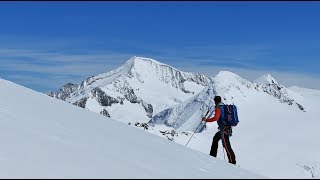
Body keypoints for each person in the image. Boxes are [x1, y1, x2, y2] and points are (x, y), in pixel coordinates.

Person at [202, 96, 236, 165]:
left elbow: (215, 118)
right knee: (216, 138)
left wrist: (206, 120)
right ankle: (212, 155)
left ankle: (232, 162)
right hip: (226, 128)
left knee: (226, 145)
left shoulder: (218, 108)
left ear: (215, 101)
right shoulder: (223, 106)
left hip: (224, 129)